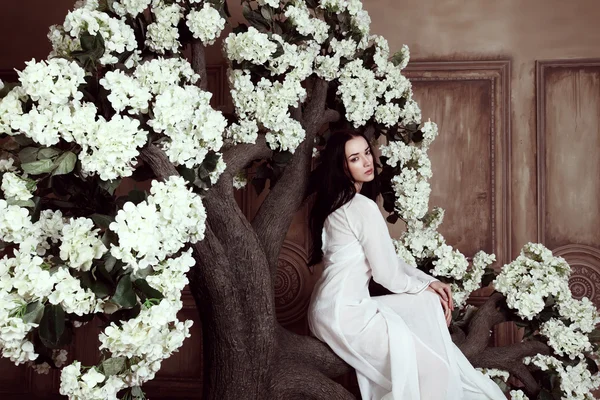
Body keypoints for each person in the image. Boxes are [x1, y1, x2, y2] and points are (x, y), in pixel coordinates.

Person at [307, 131, 506, 400]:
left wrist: (428, 285)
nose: (367, 161)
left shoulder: (338, 203)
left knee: (425, 303)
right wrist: (427, 285)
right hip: (346, 315)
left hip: (331, 308)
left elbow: (389, 261)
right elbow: (387, 274)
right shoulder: (360, 207)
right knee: (433, 370)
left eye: (367, 152)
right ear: (342, 167)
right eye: (355, 158)